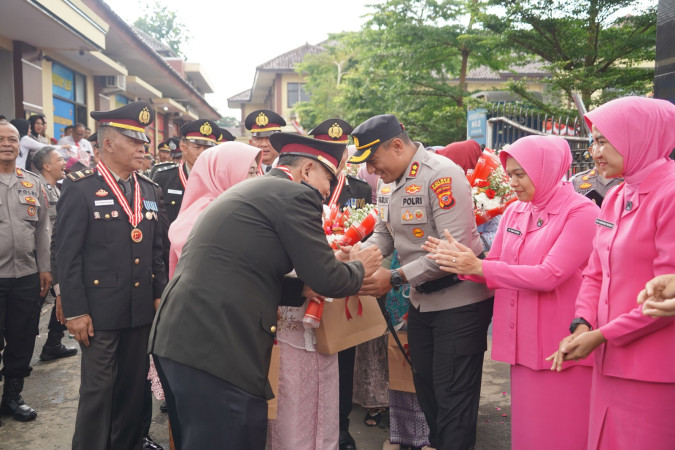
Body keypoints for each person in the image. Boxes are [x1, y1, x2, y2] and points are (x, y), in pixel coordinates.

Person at [149, 132, 383, 450]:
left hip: (188, 342)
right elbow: (328, 279)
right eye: (328, 179)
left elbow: (247, 269)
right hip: (215, 349)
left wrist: (301, 289)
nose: (330, 190)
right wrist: (360, 267)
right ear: (307, 170)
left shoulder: (256, 188)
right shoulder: (295, 195)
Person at [425, 135, 598, 449]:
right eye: (510, 174)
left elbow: (550, 274)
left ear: (546, 170)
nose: (513, 183)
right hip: (523, 341)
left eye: (521, 175)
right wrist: (462, 261)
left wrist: (480, 267)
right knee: (529, 433)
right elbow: (495, 265)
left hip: (562, 342)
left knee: (562, 432)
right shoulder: (516, 210)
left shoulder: (581, 212)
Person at [348, 114, 493, 450]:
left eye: (373, 160)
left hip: (460, 302)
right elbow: (384, 234)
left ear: (398, 146)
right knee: (428, 392)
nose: (370, 170)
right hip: (422, 302)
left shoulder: (441, 175)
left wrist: (394, 277)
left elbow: (453, 252)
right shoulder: (389, 183)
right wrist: (360, 257)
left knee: (453, 399)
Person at [549, 96, 675, 450]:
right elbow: (595, 272)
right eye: (593, 141)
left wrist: (602, 335)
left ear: (639, 136)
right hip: (609, 361)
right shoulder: (618, 195)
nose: (594, 151)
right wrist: (582, 325)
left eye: (604, 141)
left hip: (653, 368)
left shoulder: (669, 194)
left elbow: (664, 296)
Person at [55, 101, 167, 450]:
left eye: (143, 140)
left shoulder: (149, 189)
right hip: (99, 312)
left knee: (134, 387)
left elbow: (157, 252)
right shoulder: (80, 188)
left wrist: (160, 295)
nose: (142, 147)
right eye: (133, 140)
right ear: (107, 143)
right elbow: (67, 255)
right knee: (99, 389)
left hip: (140, 309)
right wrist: (75, 310)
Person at [0, 120, 51, 426]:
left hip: (27, 276)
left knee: (22, 338)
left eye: (12, 139)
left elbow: (43, 230)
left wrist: (45, 268)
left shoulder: (32, 183)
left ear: (20, 145)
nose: (7, 144)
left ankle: (12, 397)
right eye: (1, 139)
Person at [167, 142, 262, 277]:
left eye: (256, 172)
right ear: (224, 174)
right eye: (251, 172)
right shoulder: (207, 214)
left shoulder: (234, 208)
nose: (257, 179)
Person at [30, 146, 78, 361]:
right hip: (40, 260)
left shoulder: (56, 189)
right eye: (60, 159)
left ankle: (53, 343)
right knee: (30, 309)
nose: (64, 163)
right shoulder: (35, 187)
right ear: (46, 165)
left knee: (63, 297)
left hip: (55, 257)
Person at [152, 120, 220, 224]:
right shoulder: (164, 178)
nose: (202, 153)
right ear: (183, 147)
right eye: (197, 147)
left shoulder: (220, 181)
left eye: (207, 148)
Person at [571, 142, 622, 207]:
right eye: (600, 143)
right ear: (591, 151)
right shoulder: (576, 181)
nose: (603, 151)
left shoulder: (626, 181)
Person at [245, 109, 286, 174]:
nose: (264, 144)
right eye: (258, 139)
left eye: (269, 138)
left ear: (280, 142)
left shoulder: (290, 168)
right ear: (251, 142)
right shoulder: (244, 170)